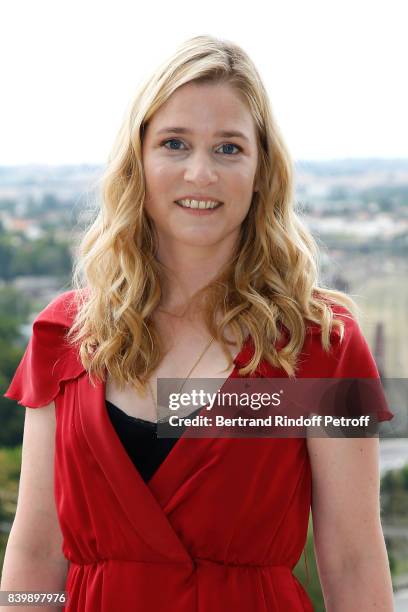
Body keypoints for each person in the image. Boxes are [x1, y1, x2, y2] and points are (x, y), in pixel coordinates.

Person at [1, 35, 394, 611]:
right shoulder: (65, 336)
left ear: (263, 170)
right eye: (175, 143)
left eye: (229, 148)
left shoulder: (323, 344)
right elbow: (36, 553)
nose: (200, 173)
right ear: (139, 159)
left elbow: (354, 560)